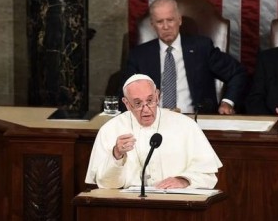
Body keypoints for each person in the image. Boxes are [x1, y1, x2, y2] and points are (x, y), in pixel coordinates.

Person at [85, 74, 221, 189]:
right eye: (137, 103)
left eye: (150, 101)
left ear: (157, 96)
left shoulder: (186, 125)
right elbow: (106, 185)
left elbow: (208, 176)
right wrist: (116, 155)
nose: (146, 109)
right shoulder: (110, 129)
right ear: (126, 103)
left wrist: (184, 181)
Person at [123, 0, 247, 114]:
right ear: (152, 25)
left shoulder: (201, 47)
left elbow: (237, 73)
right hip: (154, 121)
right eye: (160, 22)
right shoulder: (139, 55)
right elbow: (125, 92)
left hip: (195, 121)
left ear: (179, 20)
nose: (166, 26)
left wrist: (227, 102)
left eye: (170, 20)